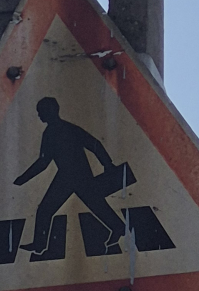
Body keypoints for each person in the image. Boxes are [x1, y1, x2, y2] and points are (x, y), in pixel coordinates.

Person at [15, 97, 127, 257]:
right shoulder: (52, 132)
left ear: (50, 111)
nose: (39, 115)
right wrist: (22, 179)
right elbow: (44, 161)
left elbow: (93, 144)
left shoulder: (62, 130)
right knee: (95, 205)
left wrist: (108, 164)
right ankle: (39, 245)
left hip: (75, 176)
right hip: (69, 176)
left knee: (49, 209)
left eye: (41, 112)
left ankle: (39, 245)